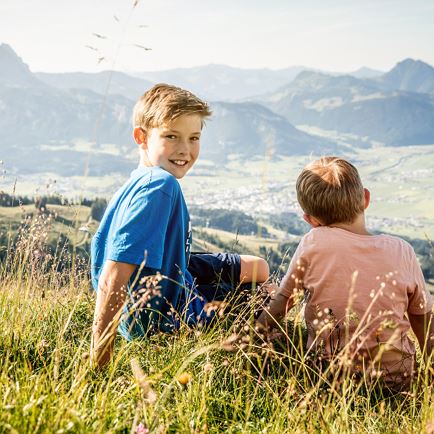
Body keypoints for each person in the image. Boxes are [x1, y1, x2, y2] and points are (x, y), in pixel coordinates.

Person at [90, 84, 269, 368]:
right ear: (142, 137)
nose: (185, 150)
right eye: (171, 136)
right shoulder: (159, 186)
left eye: (194, 137)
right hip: (162, 317)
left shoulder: (143, 178)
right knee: (262, 296)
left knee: (258, 267)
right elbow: (113, 274)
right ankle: (258, 366)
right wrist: (99, 361)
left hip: (173, 275)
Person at [257, 156, 434, 389]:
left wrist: (251, 335)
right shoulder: (402, 250)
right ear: (366, 199)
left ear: (310, 220)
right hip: (398, 381)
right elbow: (423, 318)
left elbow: (284, 302)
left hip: (329, 380)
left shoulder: (313, 243)